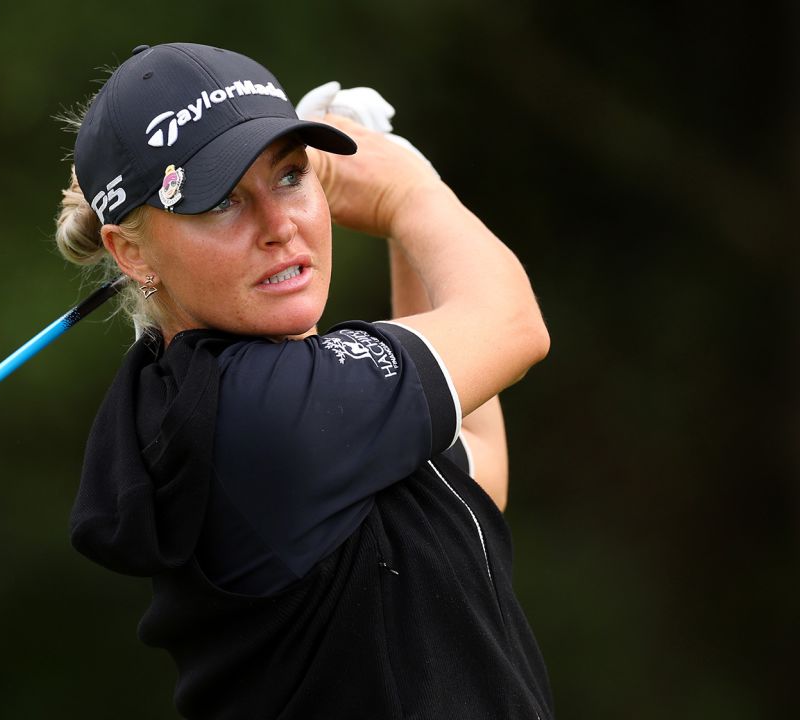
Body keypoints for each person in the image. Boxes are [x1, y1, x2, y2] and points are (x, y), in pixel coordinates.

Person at [54, 42, 553, 719]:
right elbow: (511, 326)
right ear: (132, 251)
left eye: (290, 176)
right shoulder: (258, 413)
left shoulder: (213, 405)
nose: (279, 226)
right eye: (223, 200)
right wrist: (408, 191)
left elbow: (471, 463)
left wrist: (403, 225)